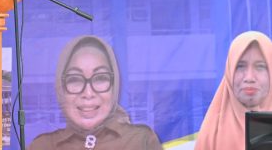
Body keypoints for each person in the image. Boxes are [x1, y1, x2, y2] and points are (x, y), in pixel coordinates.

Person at [29, 35, 162, 150]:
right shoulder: (42, 146)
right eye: (75, 79)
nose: (88, 93)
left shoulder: (141, 141)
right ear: (61, 88)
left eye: (100, 78)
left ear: (114, 86)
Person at [195, 31, 272, 150]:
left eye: (260, 66)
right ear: (229, 72)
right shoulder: (212, 132)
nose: (249, 78)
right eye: (240, 66)